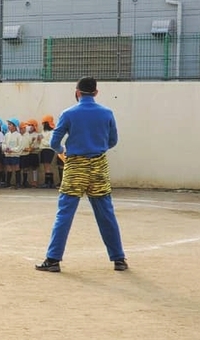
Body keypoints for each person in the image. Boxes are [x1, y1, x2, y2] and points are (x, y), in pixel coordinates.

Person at [36, 76, 127, 273]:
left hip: (76, 165)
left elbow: (54, 142)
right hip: (98, 165)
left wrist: (63, 150)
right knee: (106, 213)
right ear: (96, 92)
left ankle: (53, 259)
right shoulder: (107, 113)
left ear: (77, 92)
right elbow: (113, 141)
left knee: (65, 213)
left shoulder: (69, 113)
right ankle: (119, 258)